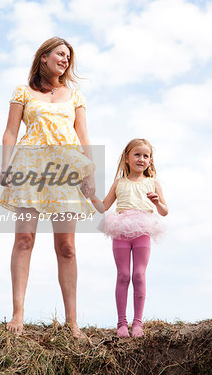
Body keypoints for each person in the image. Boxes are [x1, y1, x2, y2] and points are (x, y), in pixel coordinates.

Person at [0, 37, 95, 338]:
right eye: (61, 54)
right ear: (44, 57)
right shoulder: (23, 92)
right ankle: (18, 313)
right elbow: (11, 131)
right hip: (30, 167)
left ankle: (72, 322)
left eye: (69, 57)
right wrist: (5, 166)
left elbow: (83, 136)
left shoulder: (75, 95)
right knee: (24, 239)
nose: (66, 60)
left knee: (66, 247)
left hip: (66, 170)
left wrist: (88, 171)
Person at [90, 138, 168, 338]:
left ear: (150, 161)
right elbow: (104, 207)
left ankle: (137, 323)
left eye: (146, 156)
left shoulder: (153, 183)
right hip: (121, 230)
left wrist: (158, 202)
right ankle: (121, 323)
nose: (141, 159)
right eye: (137, 154)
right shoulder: (119, 183)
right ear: (127, 158)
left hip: (142, 230)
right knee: (123, 275)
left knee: (139, 275)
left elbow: (165, 211)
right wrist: (91, 196)